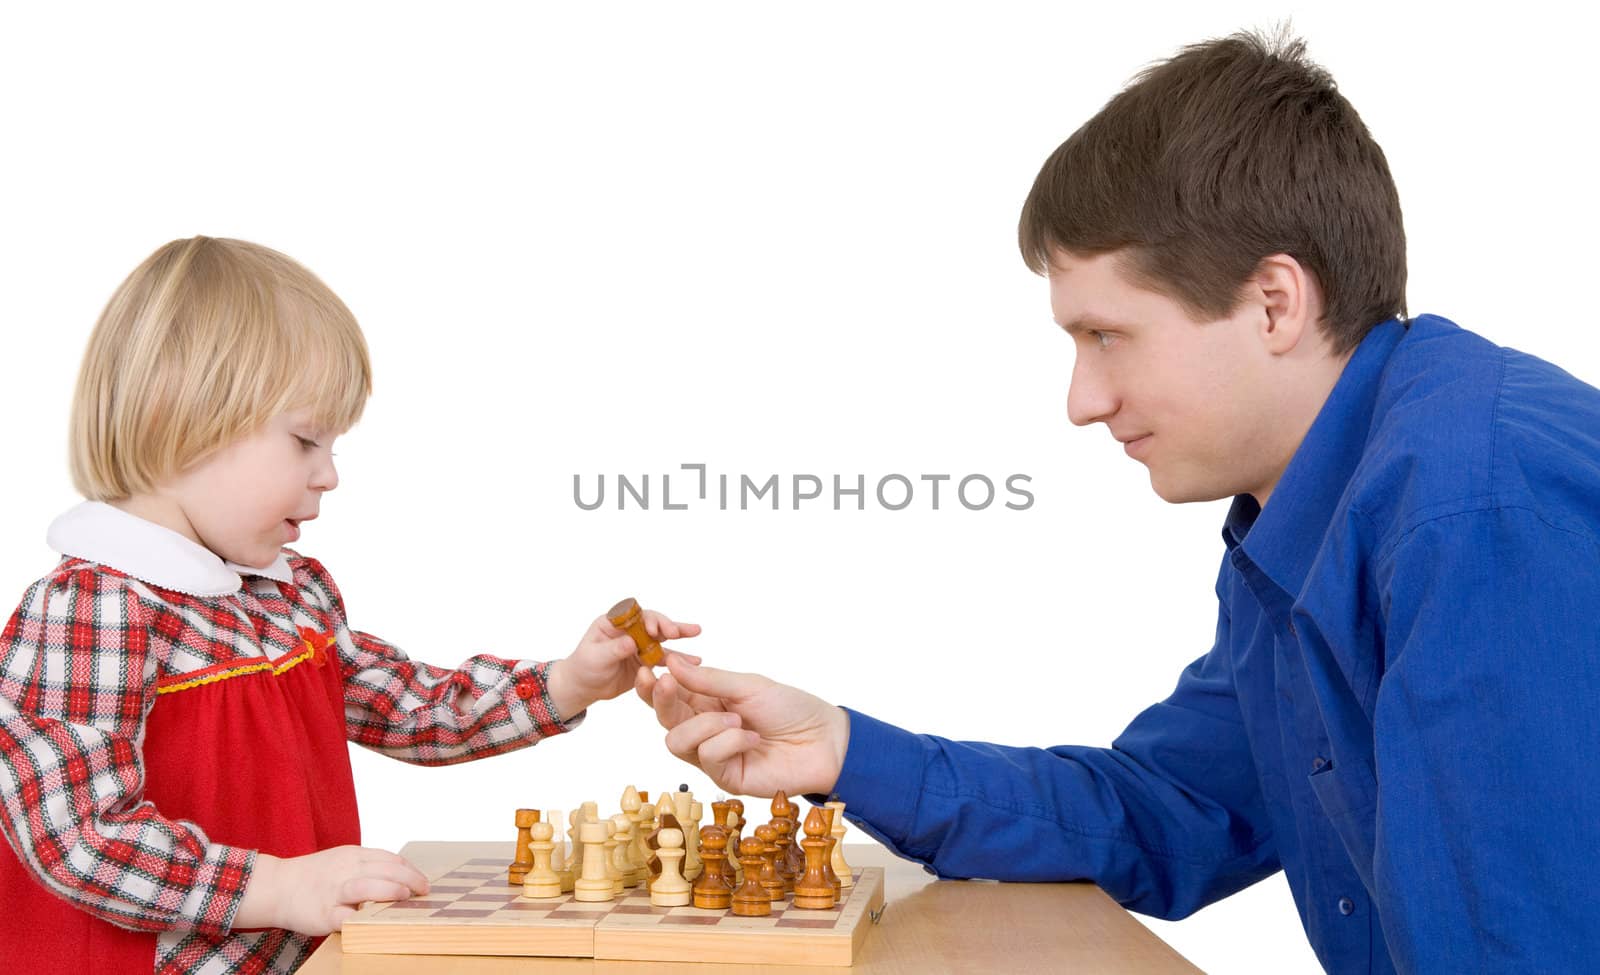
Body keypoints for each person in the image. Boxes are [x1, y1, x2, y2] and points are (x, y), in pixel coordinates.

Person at [637, 30, 1600, 975]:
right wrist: (841, 749)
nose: (1081, 401)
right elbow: (1170, 812)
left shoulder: (1476, 507)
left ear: (1274, 303)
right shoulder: (1308, 511)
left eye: (1108, 335)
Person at [0, 236, 700, 974]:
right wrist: (276, 885)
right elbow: (76, 835)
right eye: (305, 439)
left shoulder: (287, 593)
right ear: (183, 421)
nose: (329, 474)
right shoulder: (92, 608)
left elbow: (405, 708)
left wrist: (566, 682)